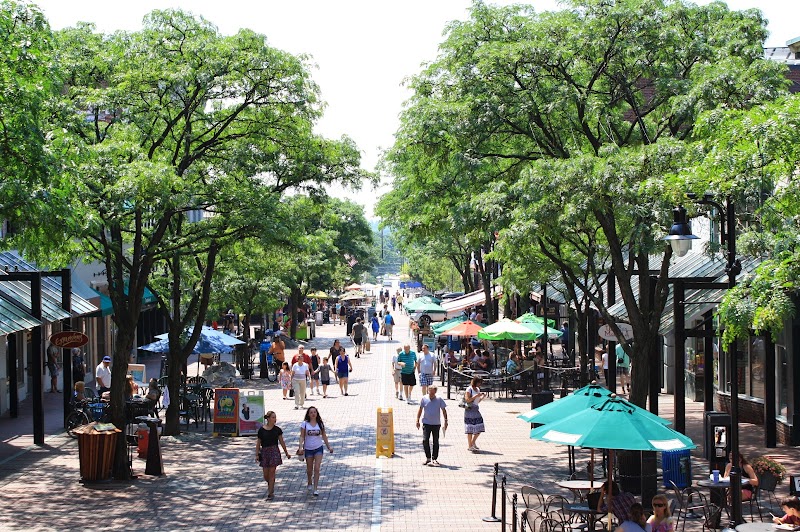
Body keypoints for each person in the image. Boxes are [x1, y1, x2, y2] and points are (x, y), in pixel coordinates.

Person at [297, 407, 333, 497]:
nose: (313, 414)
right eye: (311, 412)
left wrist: (329, 447)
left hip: (318, 448)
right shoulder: (305, 424)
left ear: (317, 413)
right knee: (309, 468)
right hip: (308, 449)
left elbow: (324, 435)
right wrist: (300, 446)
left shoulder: (320, 424)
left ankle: (315, 488)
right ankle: (309, 481)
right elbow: (302, 436)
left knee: (317, 468)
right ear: (308, 414)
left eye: (314, 412)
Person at [256, 411, 292, 501]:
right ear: (268, 419)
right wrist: (256, 454)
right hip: (264, 452)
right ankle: (270, 484)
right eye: (273, 417)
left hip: (274, 451)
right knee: (265, 475)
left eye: (275, 417)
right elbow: (258, 443)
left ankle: (270, 493)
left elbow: (282, 442)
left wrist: (286, 453)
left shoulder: (277, 430)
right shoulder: (261, 430)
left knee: (272, 472)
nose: (274, 419)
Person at [416, 385, 448, 467]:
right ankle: (428, 458)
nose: (431, 394)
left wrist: (446, 421)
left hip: (436, 424)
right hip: (426, 423)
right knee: (425, 440)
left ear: (435, 392)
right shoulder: (424, 398)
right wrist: (417, 420)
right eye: (429, 392)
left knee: (435, 441)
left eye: (432, 392)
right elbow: (420, 409)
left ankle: (434, 458)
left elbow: (444, 410)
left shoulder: (439, 399)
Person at [464, 376, 486, 452]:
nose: (480, 384)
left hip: (476, 409)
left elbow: (477, 401)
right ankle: (470, 445)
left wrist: (482, 397)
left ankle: (473, 442)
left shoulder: (478, 389)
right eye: (479, 382)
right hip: (470, 410)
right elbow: (467, 400)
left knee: (480, 426)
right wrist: (476, 396)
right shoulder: (469, 389)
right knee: (470, 428)